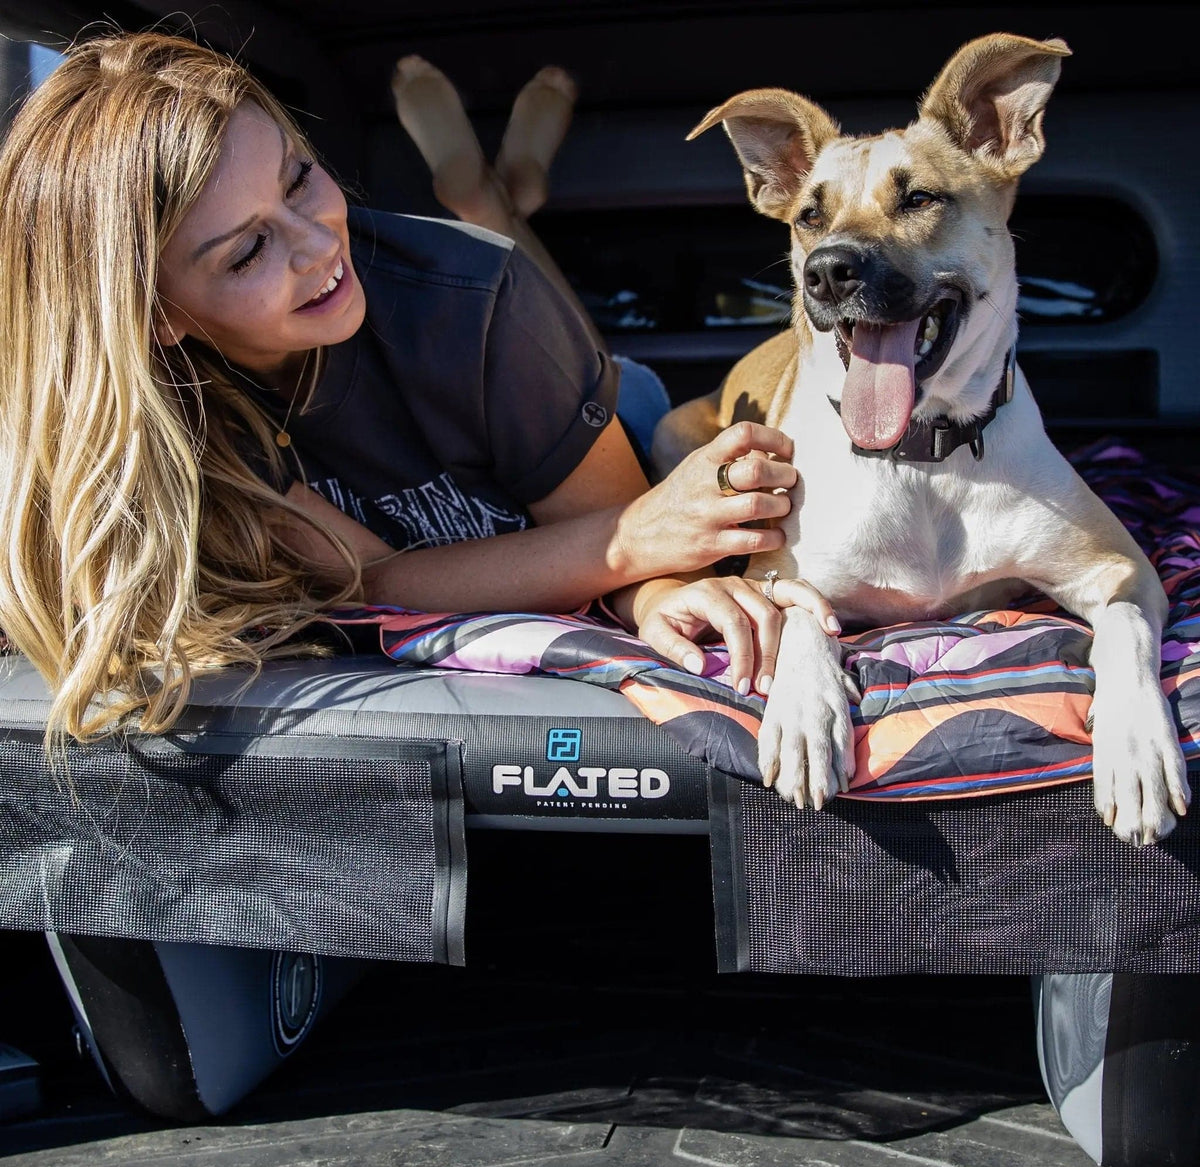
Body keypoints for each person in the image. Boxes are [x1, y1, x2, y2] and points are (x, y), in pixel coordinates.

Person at [0, 30, 835, 745]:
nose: (319, 243)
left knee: (605, 371)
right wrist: (629, 544)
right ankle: (500, 191)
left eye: (299, 179)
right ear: (157, 318)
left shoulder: (475, 299)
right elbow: (376, 581)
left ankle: (490, 202)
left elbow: (633, 539)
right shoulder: (182, 409)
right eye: (246, 252)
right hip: (526, 459)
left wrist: (650, 588)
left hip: (597, 405)